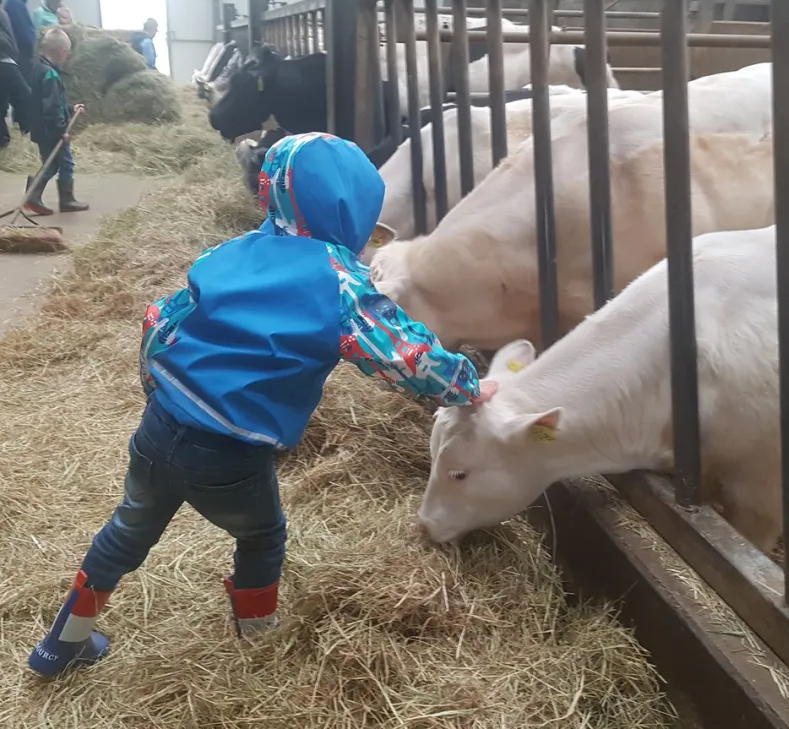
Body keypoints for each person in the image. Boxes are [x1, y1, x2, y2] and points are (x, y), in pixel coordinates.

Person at [27, 131, 490, 678]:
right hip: (229, 451)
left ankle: (61, 644)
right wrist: (467, 386)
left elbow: (159, 319)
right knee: (262, 536)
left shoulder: (230, 252)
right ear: (354, 204)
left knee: (126, 531)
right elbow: (405, 357)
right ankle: (259, 642)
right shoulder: (341, 284)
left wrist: (157, 387)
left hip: (160, 424)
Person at [24, 27, 87, 215]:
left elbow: (51, 102)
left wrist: (70, 108)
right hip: (51, 130)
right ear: (62, 52)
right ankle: (67, 200)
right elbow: (51, 108)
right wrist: (62, 130)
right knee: (66, 163)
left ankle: (33, 195)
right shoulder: (51, 75)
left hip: (40, 128)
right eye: (67, 53)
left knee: (50, 164)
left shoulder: (37, 69)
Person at [0, 0, 31, 148]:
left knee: (2, 104)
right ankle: (32, 139)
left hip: (7, 57)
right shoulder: (13, 3)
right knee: (25, 95)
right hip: (3, 60)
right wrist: (8, 46)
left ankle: (3, 143)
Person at [5, 0, 36, 78]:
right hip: (20, 53)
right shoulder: (15, 3)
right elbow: (25, 34)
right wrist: (36, 49)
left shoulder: (19, 2)